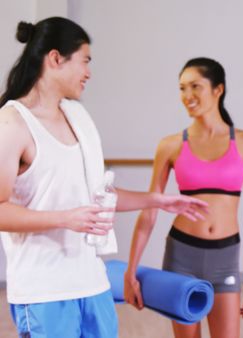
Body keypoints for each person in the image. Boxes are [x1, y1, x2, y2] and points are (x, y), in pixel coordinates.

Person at [0, 17, 208, 337]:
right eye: (84, 61)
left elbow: (98, 195)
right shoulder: (12, 123)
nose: (88, 72)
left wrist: (156, 200)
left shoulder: (78, 116)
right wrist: (64, 218)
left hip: (92, 284)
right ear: (55, 59)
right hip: (44, 293)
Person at [124, 57, 243, 338]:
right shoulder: (170, 145)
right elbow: (150, 210)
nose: (187, 96)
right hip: (181, 256)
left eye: (195, 86)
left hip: (226, 257)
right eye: (182, 88)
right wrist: (131, 270)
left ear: (218, 90)